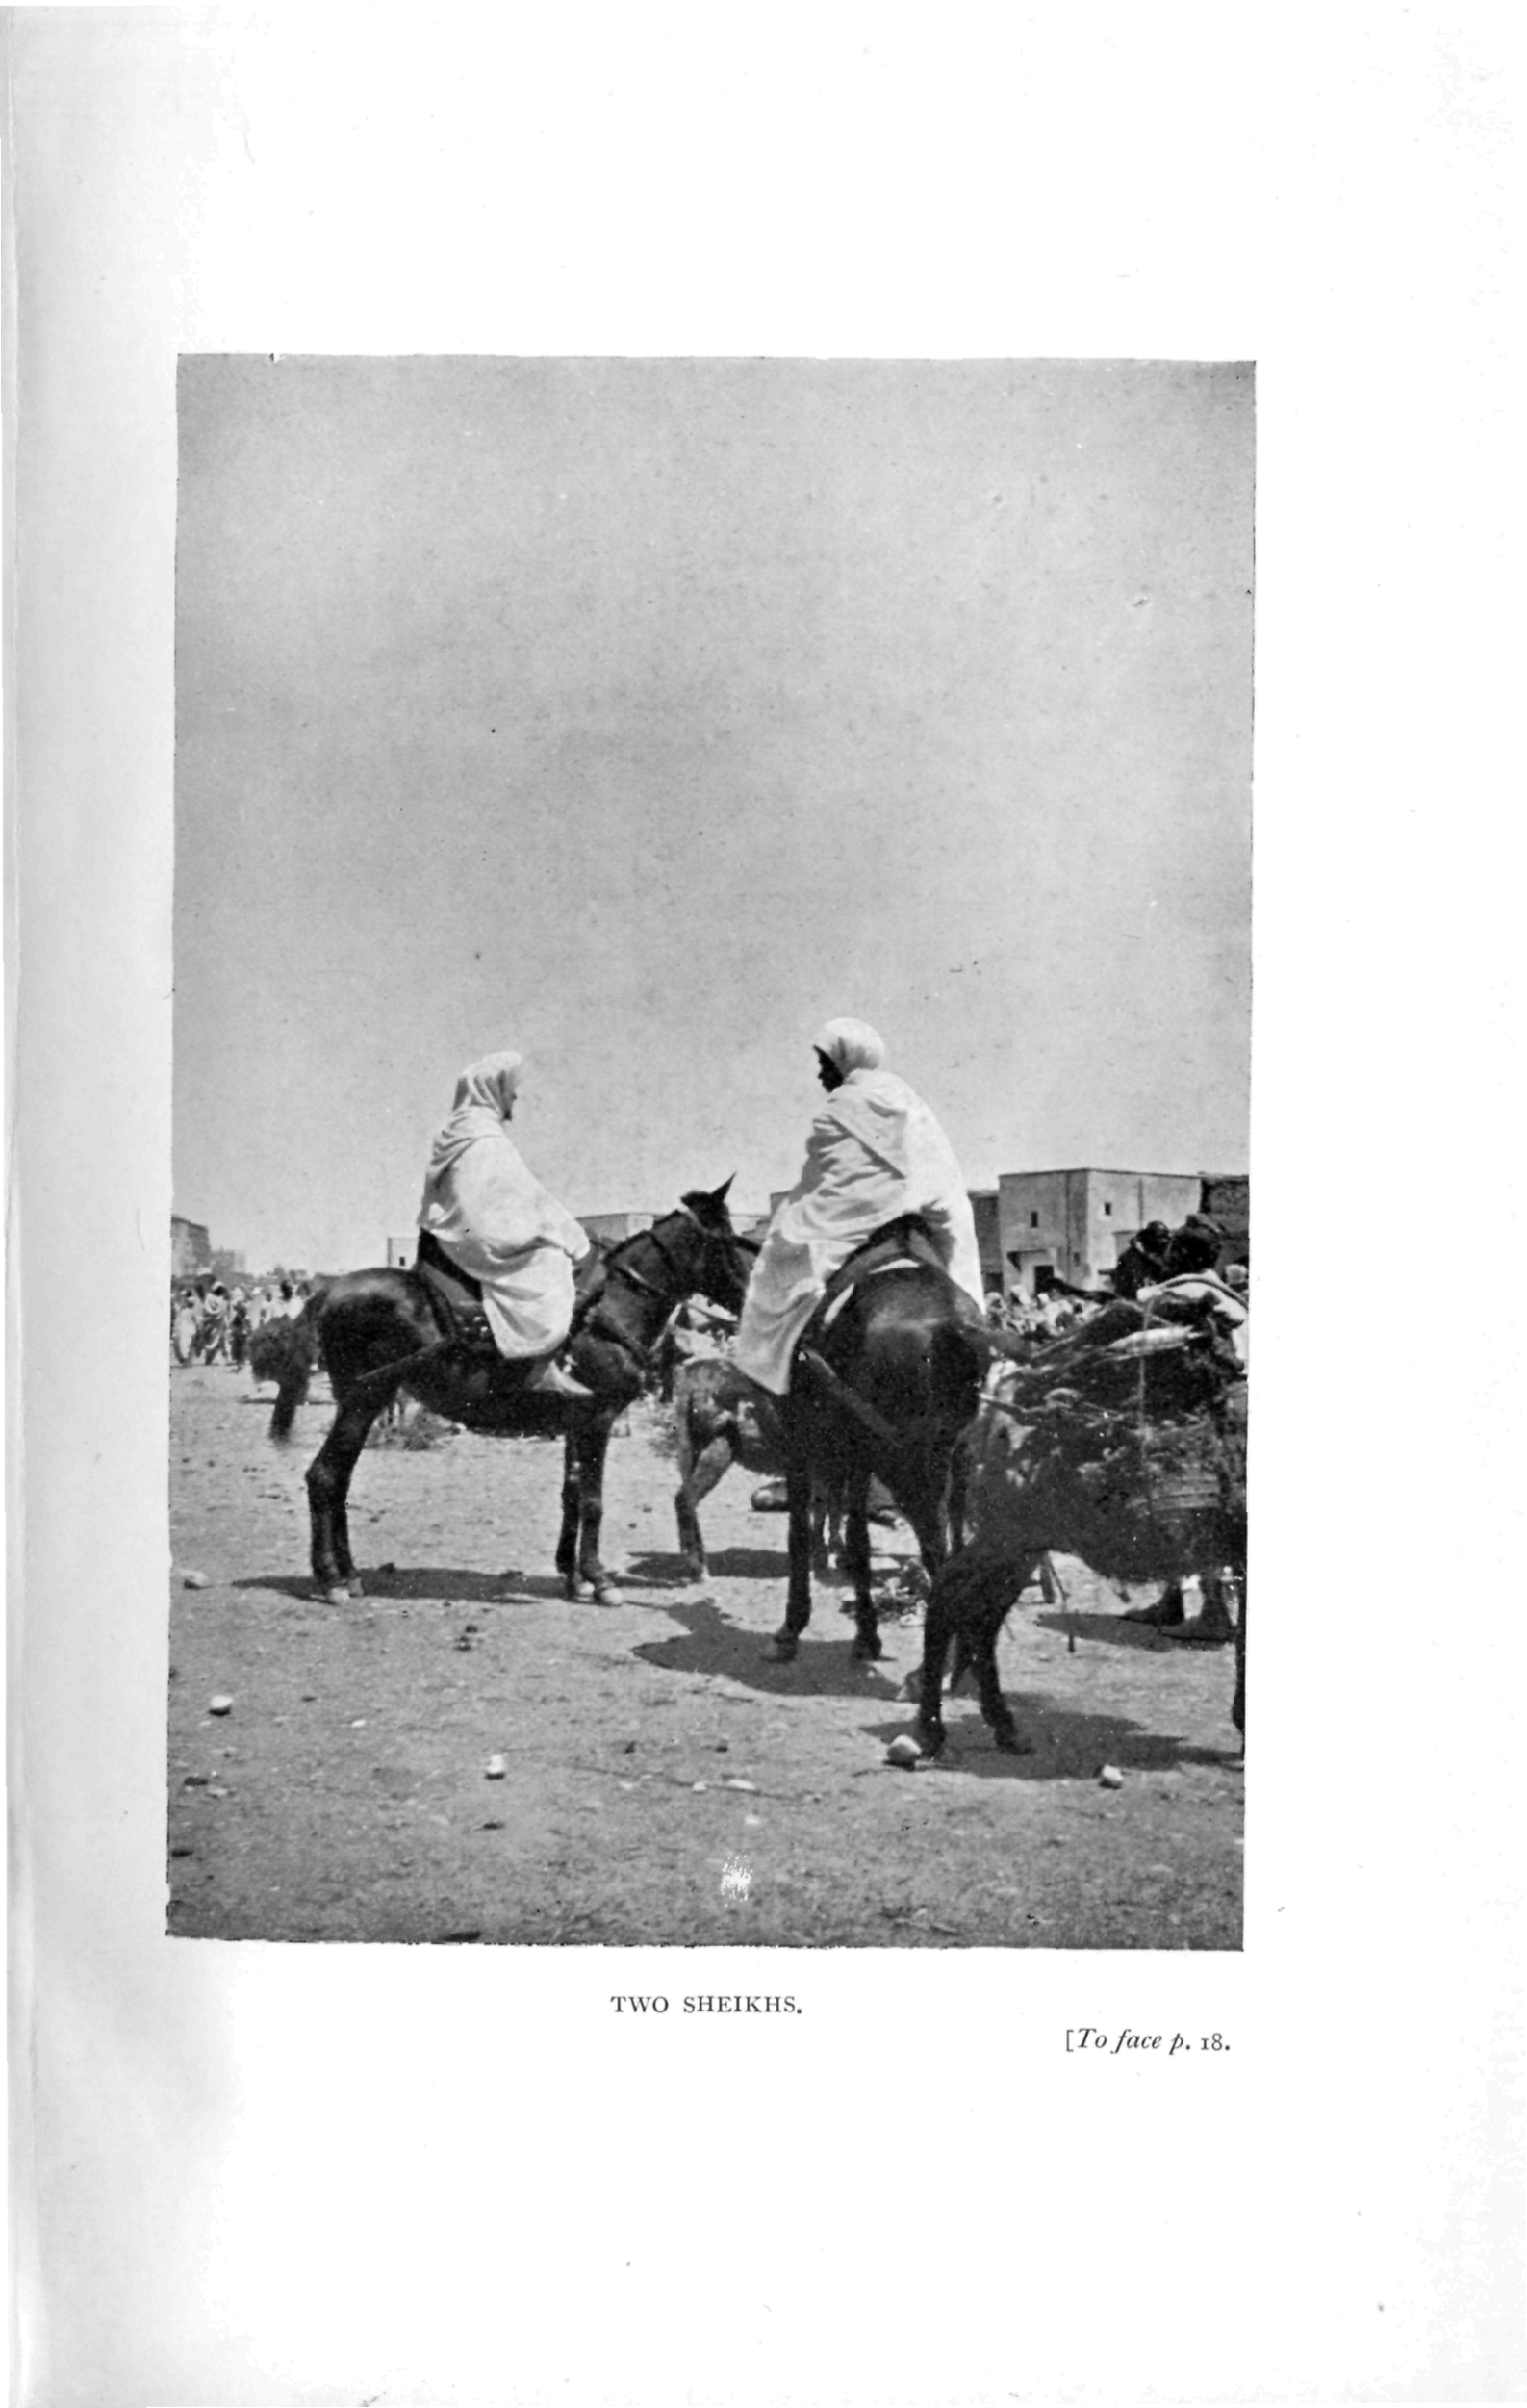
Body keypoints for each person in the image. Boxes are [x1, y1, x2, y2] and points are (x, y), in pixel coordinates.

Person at [732, 1018, 983, 1396]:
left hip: (858, 1209)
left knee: (780, 1255)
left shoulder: (840, 1107)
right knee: (961, 1256)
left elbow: (822, 1182)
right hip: (928, 1205)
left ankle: (763, 1371)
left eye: (825, 1063)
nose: (820, 1074)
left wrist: (790, 1215)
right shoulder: (908, 1100)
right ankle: (982, 1327)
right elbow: (938, 1170)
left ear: (844, 1060)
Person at [417, 1050, 592, 1401]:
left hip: (451, 1232)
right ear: (492, 1091)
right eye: (510, 1090)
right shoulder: (487, 1139)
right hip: (478, 1238)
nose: (514, 1098)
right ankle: (539, 1369)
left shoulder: (457, 1131)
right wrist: (571, 1235)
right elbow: (530, 1198)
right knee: (552, 1264)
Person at [1112, 1218, 1172, 1300]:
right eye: (1161, 1237)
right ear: (1150, 1238)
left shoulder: (1157, 1255)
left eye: (1167, 1237)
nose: (1166, 1241)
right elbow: (1133, 1289)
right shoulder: (1131, 1257)